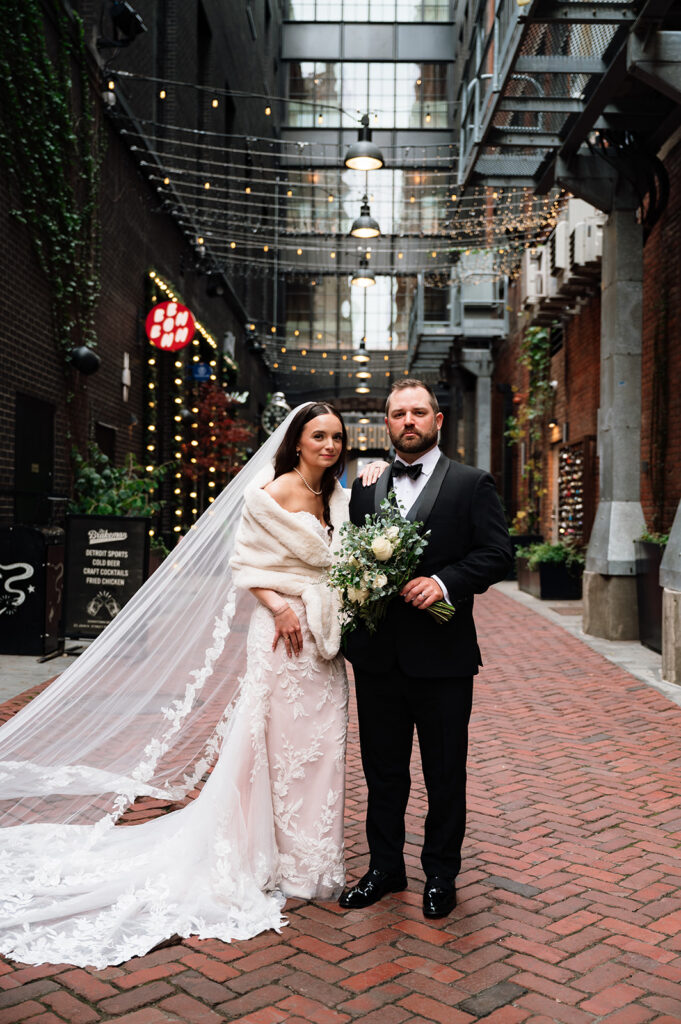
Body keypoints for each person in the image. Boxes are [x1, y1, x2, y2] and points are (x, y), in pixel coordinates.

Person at [0, 402, 351, 969]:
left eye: (337, 437)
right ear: (297, 441)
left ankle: (310, 862)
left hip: (325, 643)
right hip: (281, 634)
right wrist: (280, 607)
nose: (330, 445)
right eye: (319, 436)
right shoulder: (275, 491)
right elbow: (246, 566)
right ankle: (268, 857)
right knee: (274, 748)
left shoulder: (338, 497)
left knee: (321, 750)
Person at [339, 379, 513, 919]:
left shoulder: (471, 483)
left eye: (418, 412)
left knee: (444, 772)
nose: (408, 421)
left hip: (443, 658)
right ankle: (385, 869)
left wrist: (443, 583)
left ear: (438, 420)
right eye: (398, 414)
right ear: (386, 423)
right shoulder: (366, 487)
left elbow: (498, 555)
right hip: (378, 659)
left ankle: (441, 874)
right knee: (382, 771)